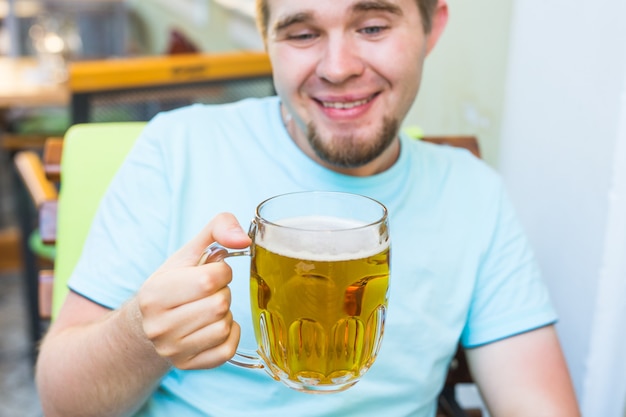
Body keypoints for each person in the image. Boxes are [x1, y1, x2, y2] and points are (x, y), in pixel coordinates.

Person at [35, 0, 581, 415]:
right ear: (266, 37)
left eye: (372, 26)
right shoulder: (178, 148)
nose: (338, 67)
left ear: (431, 27)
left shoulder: (473, 194)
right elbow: (62, 401)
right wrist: (139, 335)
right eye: (301, 33)